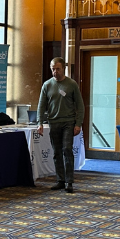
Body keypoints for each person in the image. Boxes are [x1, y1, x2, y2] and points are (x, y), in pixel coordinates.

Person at [37, 57, 84, 194]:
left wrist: (78, 123)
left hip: (68, 122)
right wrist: (40, 123)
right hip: (53, 122)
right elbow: (41, 106)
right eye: (53, 69)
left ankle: (69, 181)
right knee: (57, 152)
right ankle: (60, 180)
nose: (55, 72)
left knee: (67, 149)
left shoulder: (71, 84)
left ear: (63, 68)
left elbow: (80, 106)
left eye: (58, 69)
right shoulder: (47, 85)